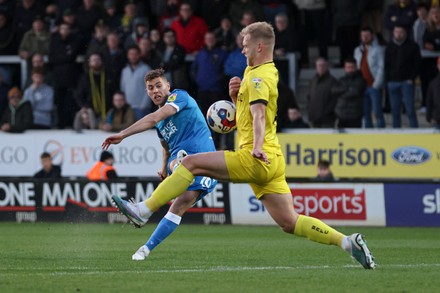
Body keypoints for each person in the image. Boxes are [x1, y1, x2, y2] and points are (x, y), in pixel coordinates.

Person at [104, 22, 376, 269]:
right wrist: (235, 99)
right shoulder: (257, 73)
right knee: (289, 222)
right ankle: (347, 242)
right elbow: (248, 116)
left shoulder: (258, 78)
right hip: (273, 161)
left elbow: (258, 115)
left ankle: (144, 210)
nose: (242, 50)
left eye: (245, 45)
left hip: (256, 156)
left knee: (190, 163)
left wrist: (256, 146)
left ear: (259, 46)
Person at [104, 68, 218, 260]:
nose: (155, 91)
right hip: (180, 164)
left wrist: (122, 134)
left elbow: (154, 117)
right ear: (147, 92)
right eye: (150, 88)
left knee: (183, 168)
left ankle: (143, 209)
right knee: (178, 203)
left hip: (205, 163)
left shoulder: (179, 97)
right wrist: (164, 167)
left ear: (168, 86)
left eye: (158, 86)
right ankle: (145, 249)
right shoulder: (160, 125)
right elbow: (165, 146)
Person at [385, 25, 421, 128]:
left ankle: (415, 132)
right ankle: (396, 133)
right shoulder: (389, 46)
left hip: (407, 82)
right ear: (393, 33)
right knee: (395, 111)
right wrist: (388, 80)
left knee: (410, 110)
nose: (398, 34)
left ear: (405, 33)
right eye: (396, 32)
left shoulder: (413, 46)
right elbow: (386, 64)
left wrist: (411, 78)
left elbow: (417, 64)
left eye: (401, 32)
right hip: (392, 82)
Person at [354, 26, 385, 128]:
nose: (365, 37)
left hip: (374, 86)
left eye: (367, 35)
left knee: (377, 113)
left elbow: (382, 67)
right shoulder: (358, 50)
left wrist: (376, 84)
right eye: (363, 36)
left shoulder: (379, 49)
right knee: (365, 114)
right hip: (362, 86)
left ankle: (381, 134)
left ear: (372, 36)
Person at [307, 57, 341, 128]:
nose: (321, 67)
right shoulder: (313, 81)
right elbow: (309, 97)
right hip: (314, 118)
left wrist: (327, 112)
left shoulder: (333, 81)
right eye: (319, 65)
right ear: (316, 67)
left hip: (327, 119)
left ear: (327, 66)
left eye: (323, 65)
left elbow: (335, 99)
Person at [120, 45, 151, 120]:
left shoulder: (146, 69)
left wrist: (144, 105)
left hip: (142, 108)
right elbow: (123, 88)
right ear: (128, 56)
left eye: (135, 54)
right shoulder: (125, 70)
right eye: (131, 54)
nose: (133, 56)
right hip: (128, 108)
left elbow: (151, 88)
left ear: (139, 55)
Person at [335, 57, 366, 128]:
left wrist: (341, 93)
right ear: (345, 68)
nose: (350, 69)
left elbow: (355, 92)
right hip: (341, 115)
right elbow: (334, 90)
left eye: (352, 67)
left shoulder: (360, 80)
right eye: (348, 67)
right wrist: (347, 89)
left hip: (355, 116)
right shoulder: (341, 79)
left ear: (356, 67)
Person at [426, 56, 440, 129]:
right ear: (438, 66)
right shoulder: (433, 83)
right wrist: (429, 118)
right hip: (437, 121)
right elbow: (429, 102)